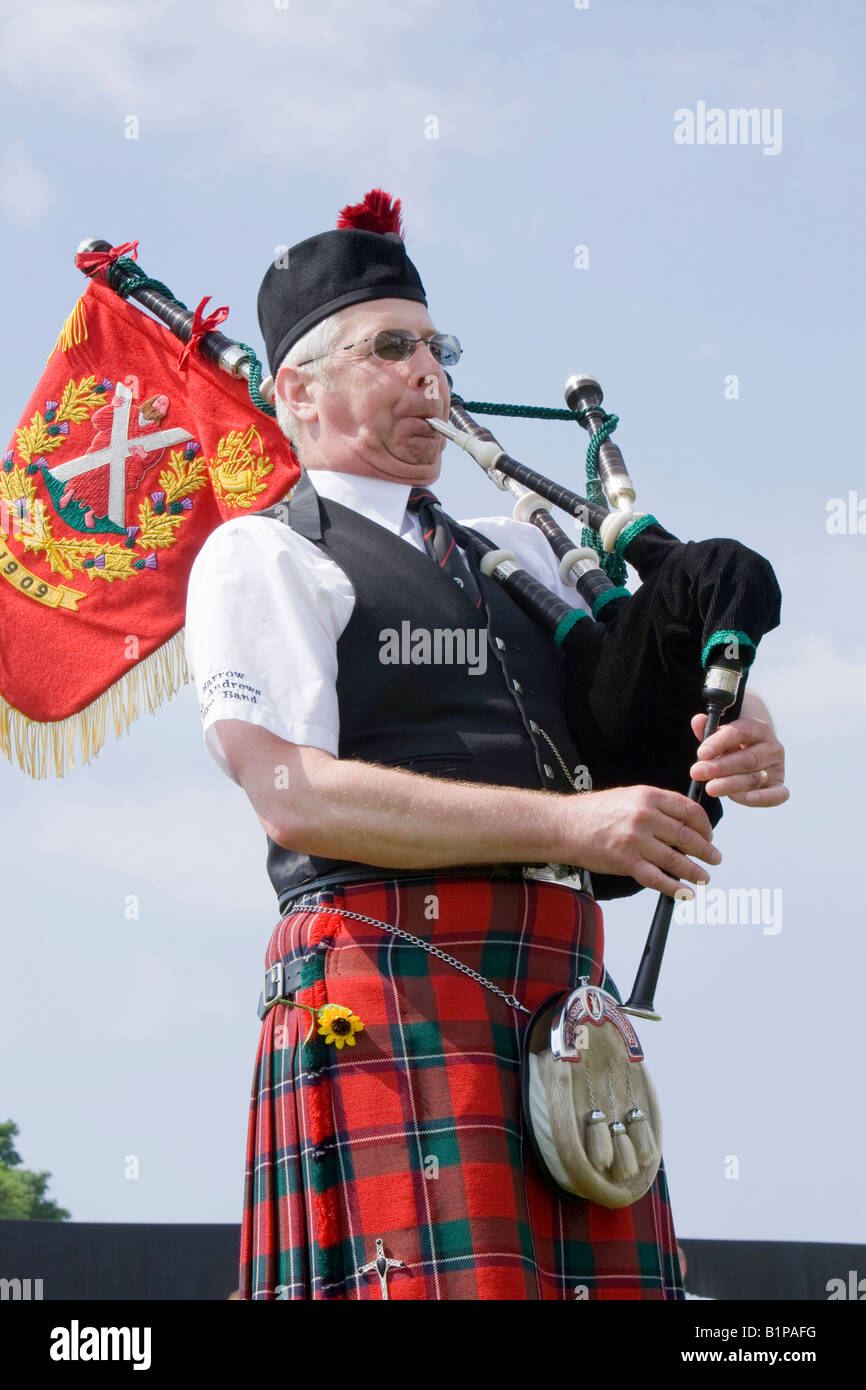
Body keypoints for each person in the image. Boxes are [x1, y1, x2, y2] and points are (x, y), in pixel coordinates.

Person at [184, 189, 788, 1301]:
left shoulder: (516, 549)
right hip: (392, 983)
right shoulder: (261, 557)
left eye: (436, 347)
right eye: (391, 348)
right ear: (298, 394)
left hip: (557, 991)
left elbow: (625, 702)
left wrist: (733, 723)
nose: (430, 373)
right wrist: (567, 824)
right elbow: (292, 795)